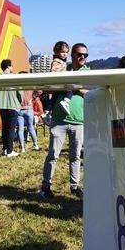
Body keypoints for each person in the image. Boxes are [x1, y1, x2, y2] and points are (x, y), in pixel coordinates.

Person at [39, 43, 89, 198]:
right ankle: (45, 186)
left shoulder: (88, 72)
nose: (82, 57)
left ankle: (75, 187)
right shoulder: (62, 69)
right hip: (59, 119)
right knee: (53, 155)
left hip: (79, 120)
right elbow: (47, 88)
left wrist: (74, 86)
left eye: (85, 55)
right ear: (72, 55)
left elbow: (90, 91)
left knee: (76, 156)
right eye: (79, 54)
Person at [0, 59, 21, 157]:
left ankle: (5, 148)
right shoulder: (14, 78)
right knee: (11, 129)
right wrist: (19, 102)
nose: (13, 67)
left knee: (5, 128)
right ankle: (10, 151)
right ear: (8, 66)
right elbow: (20, 93)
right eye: (12, 66)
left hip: (2, 106)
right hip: (12, 106)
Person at [17, 88, 40, 152]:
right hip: (29, 109)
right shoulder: (30, 86)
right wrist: (33, 97)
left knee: (20, 129)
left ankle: (22, 148)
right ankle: (36, 145)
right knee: (31, 128)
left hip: (20, 109)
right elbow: (40, 91)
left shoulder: (18, 88)